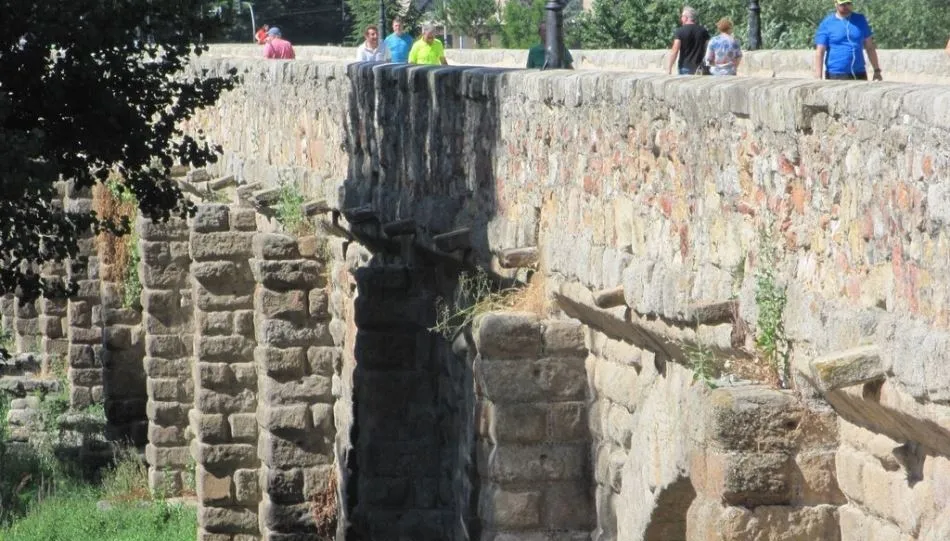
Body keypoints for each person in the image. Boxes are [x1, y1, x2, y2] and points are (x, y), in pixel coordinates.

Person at [813, 0, 882, 80]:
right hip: (835, 74)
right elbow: (820, 51)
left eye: (848, 3)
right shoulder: (827, 23)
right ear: (836, 4)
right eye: (842, 4)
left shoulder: (860, 20)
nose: (846, 6)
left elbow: (870, 47)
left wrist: (877, 71)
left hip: (859, 73)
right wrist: (818, 77)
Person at [666, 6, 711, 75]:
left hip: (685, 67)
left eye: (682, 16)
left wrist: (669, 68)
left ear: (686, 18)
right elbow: (708, 48)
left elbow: (675, 51)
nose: (681, 18)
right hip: (700, 67)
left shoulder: (680, 31)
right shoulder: (703, 31)